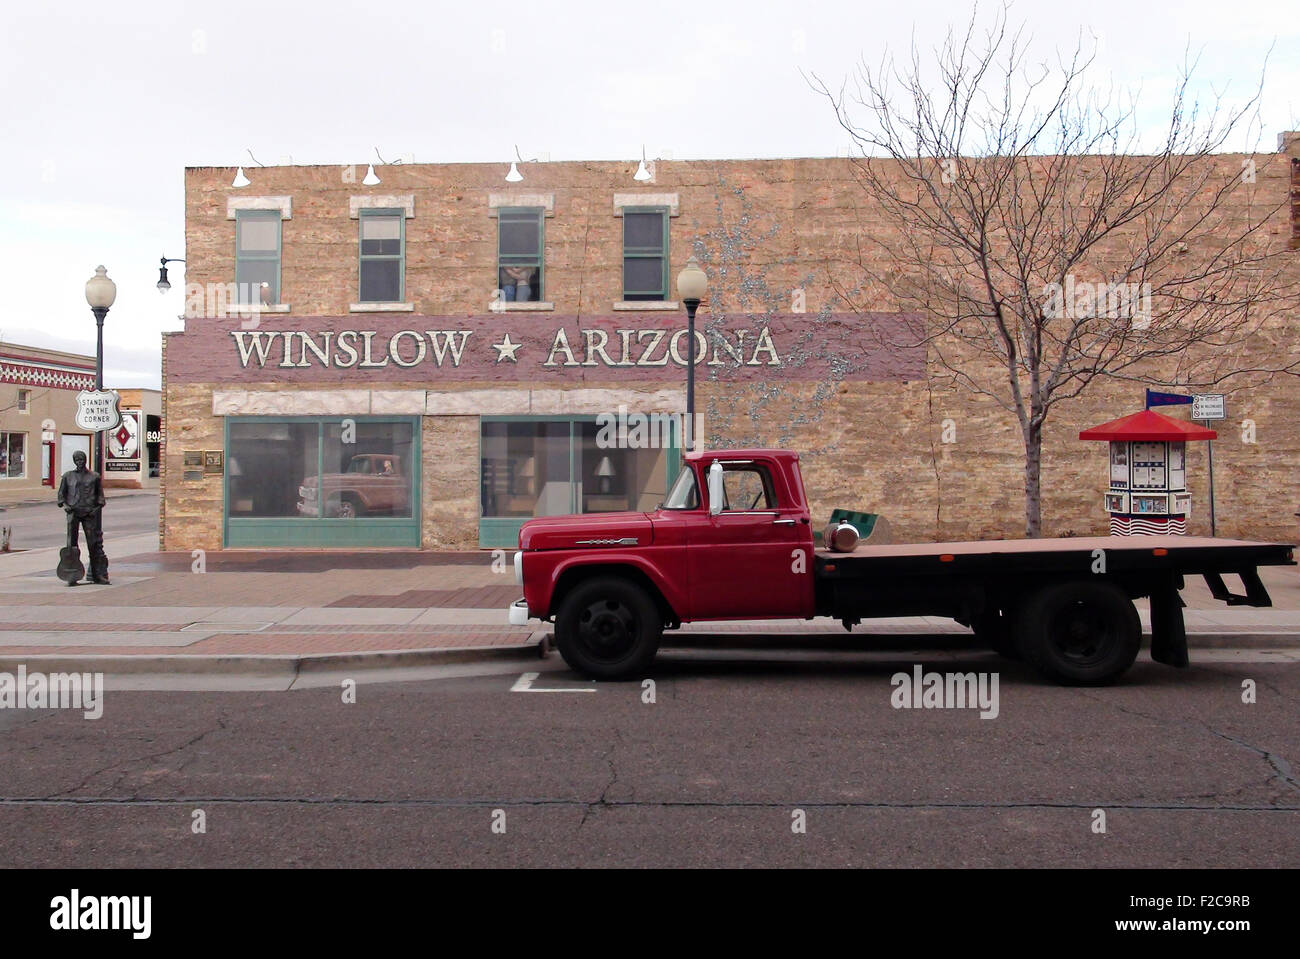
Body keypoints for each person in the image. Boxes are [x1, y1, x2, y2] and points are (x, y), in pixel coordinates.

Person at [57, 450, 109, 585]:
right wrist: (66, 506)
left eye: (81, 459)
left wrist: (95, 510)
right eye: (77, 460)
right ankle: (72, 576)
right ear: (74, 461)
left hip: (89, 513)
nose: (79, 462)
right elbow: (61, 496)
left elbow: (101, 498)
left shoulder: (94, 477)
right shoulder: (68, 476)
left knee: (93, 545)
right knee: (71, 546)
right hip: (73, 513)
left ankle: (97, 575)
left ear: (85, 460)